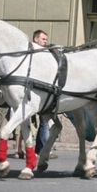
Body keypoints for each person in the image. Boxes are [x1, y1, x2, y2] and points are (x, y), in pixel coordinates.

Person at [32, 30, 58, 159]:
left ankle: (39, 149)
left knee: (45, 122)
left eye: (46, 39)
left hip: (45, 92)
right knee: (44, 122)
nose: (45, 41)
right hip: (38, 93)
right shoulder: (33, 52)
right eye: (43, 39)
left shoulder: (43, 52)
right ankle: (43, 150)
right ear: (36, 39)